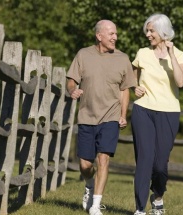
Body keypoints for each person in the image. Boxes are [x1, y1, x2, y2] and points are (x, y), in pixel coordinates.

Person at [66, 20, 136, 215]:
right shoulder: (83, 54)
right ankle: (89, 184)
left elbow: (125, 90)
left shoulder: (123, 59)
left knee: (103, 159)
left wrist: (123, 115)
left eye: (115, 34)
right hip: (87, 116)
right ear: (99, 36)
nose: (115, 37)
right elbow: (71, 80)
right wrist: (73, 90)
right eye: (111, 34)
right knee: (85, 164)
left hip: (110, 117)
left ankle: (96, 206)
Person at [131, 14, 183, 215]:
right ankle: (139, 209)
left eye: (151, 30)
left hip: (169, 112)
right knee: (144, 160)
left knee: (160, 165)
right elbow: (132, 78)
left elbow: (180, 82)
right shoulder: (142, 53)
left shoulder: (180, 55)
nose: (147, 34)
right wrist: (134, 87)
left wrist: (171, 56)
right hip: (143, 110)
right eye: (147, 30)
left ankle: (158, 196)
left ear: (163, 32)